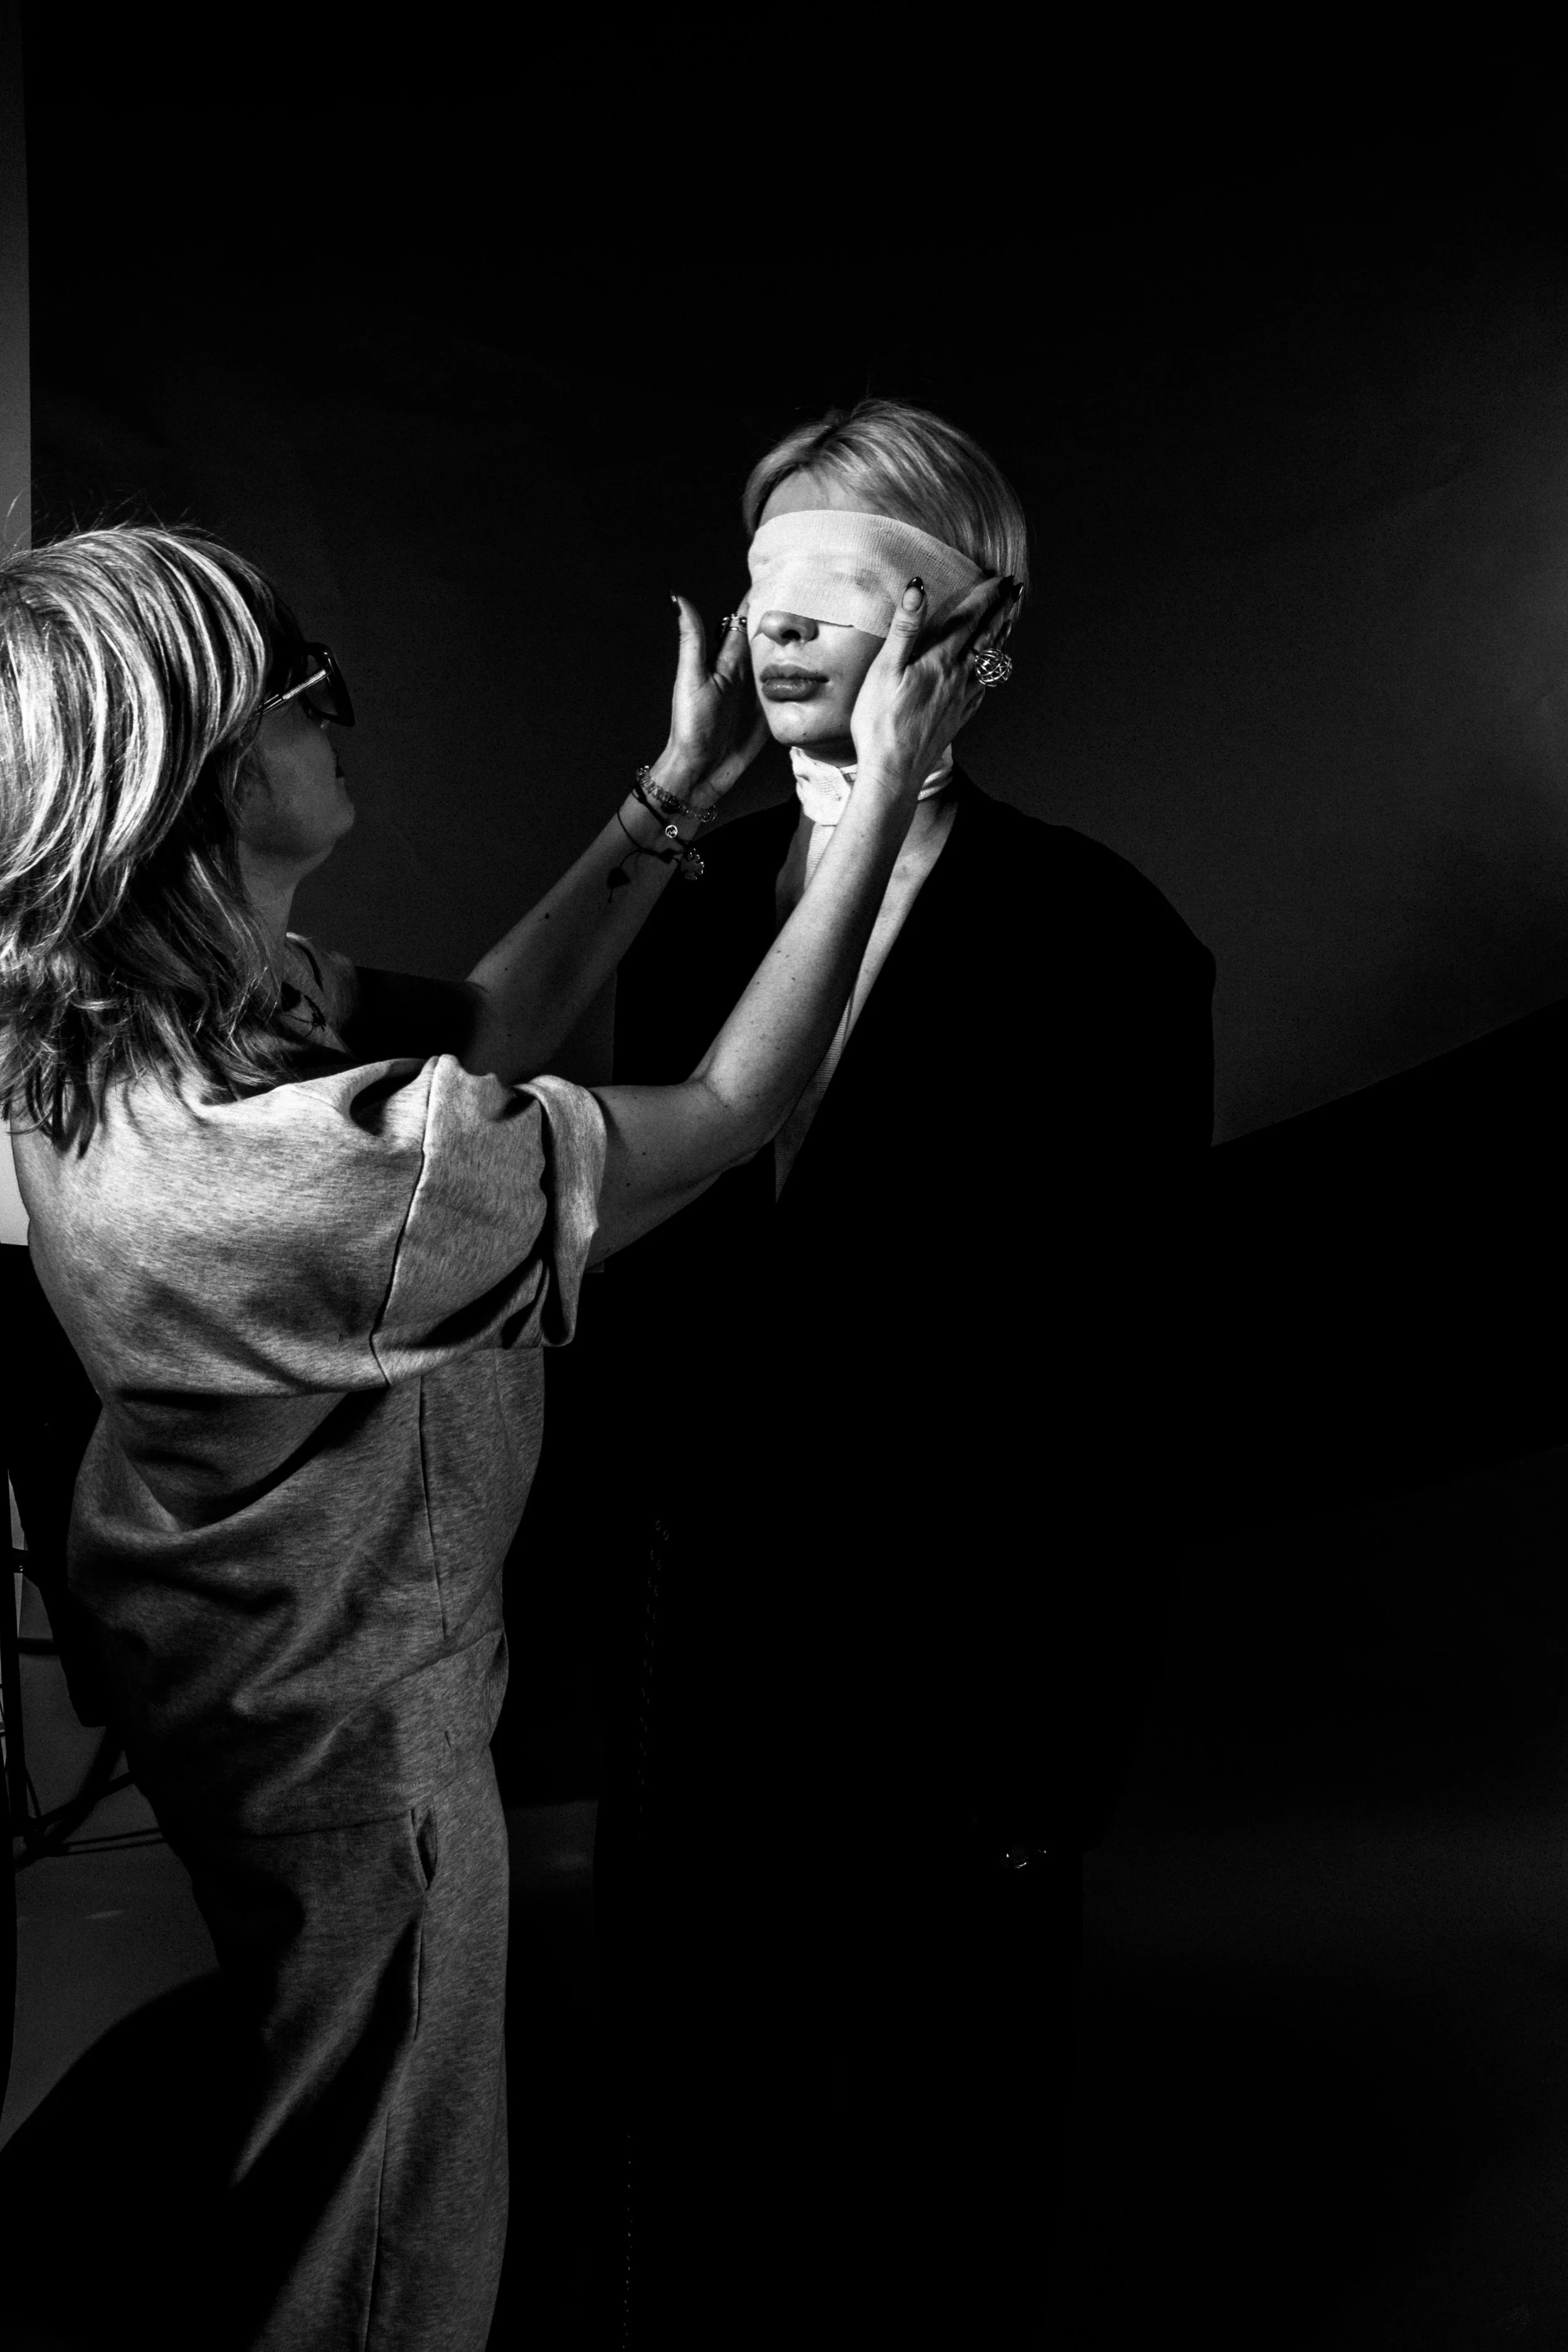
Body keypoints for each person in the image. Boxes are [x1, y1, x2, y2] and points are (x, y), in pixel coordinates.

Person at [0, 521, 1012, 2352]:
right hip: (353, 1745)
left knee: (321, 2112)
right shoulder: (288, 1181)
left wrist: (671, 796)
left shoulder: (152, 1007)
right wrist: (875, 803)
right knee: (393, 2218)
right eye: (306, 699)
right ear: (204, 779)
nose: (343, 719)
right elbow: (725, 1105)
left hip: (221, 1650)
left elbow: (472, 1028)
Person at [580, 401, 1217, 2344]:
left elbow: (1131, 1363)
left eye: (841, 590)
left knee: (943, 2175)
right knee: (700, 2153)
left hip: (960, 1673)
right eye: (760, 587)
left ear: (968, 636)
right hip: (710, 1669)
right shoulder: (691, 903)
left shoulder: (1095, 939)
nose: (775, 629)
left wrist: (1061, 1735)